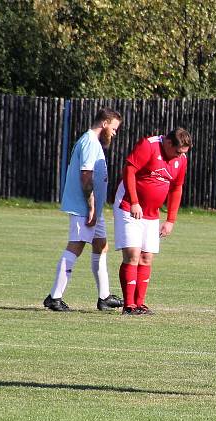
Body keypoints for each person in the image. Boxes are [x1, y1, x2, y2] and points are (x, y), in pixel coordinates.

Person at [43, 108, 124, 312]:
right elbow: (86, 176)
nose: (114, 133)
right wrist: (90, 206)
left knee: (101, 246)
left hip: (93, 208)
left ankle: (104, 297)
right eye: (113, 128)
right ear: (104, 124)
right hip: (84, 207)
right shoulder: (89, 141)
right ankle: (54, 297)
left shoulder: (93, 142)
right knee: (76, 246)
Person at [113, 128, 192, 315]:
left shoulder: (181, 160)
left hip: (152, 213)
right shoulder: (148, 145)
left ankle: (140, 304)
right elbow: (130, 171)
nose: (180, 156)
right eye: (178, 151)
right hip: (128, 206)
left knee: (146, 258)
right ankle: (129, 305)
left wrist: (170, 220)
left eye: (184, 153)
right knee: (133, 254)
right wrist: (134, 202)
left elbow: (176, 189)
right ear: (168, 143)